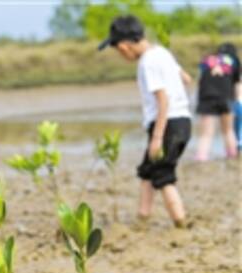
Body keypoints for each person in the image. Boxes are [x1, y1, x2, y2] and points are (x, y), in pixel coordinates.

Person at [99, 15, 191, 228]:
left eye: (119, 50)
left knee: (163, 174)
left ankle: (180, 222)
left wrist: (157, 138)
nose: (122, 55)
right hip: (183, 120)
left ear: (124, 46)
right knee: (147, 170)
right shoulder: (162, 53)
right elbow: (186, 78)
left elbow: (162, 100)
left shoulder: (147, 63)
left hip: (166, 124)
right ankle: (143, 217)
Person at [194, 42, 240, 161]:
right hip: (226, 98)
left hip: (206, 97)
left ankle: (201, 158)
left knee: (206, 134)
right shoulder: (234, 61)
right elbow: (237, 84)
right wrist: (236, 101)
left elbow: (199, 81)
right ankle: (232, 155)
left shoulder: (206, 60)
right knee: (228, 130)